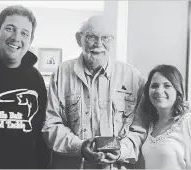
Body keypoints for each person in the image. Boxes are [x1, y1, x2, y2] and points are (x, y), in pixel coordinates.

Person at [42, 15, 147, 169]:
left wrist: (120, 151)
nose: (99, 44)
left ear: (113, 40)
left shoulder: (132, 76)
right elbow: (51, 125)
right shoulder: (61, 73)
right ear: (79, 39)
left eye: (105, 37)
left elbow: (140, 129)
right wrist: (80, 147)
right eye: (91, 36)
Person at [0, 5, 51, 169]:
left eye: (24, 33)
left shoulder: (35, 78)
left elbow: (41, 129)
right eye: (10, 29)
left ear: (30, 41)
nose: (16, 37)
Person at [139, 64, 191, 169]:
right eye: (154, 86)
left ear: (177, 91)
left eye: (167, 85)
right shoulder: (150, 124)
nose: (159, 91)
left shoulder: (190, 123)